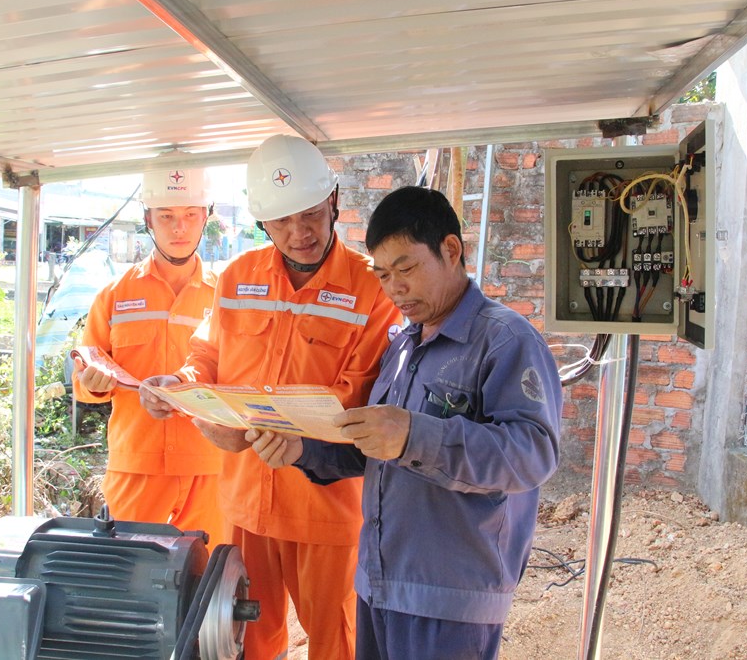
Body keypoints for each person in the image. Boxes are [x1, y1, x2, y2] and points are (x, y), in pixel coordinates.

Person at [247, 186, 563, 660]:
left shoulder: (504, 340)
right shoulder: (404, 345)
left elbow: (532, 453)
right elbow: (375, 447)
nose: (394, 287)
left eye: (406, 268)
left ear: (450, 250)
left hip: (450, 597)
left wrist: (414, 435)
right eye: (382, 275)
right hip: (379, 584)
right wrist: (303, 450)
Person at [140, 135, 403, 660]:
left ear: (333, 201)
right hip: (245, 507)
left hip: (325, 509)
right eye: (281, 222)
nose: (299, 233)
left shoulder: (371, 288)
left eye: (310, 215)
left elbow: (355, 393)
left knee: (337, 644)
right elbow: (207, 354)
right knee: (247, 644)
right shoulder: (238, 276)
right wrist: (182, 384)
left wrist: (257, 429)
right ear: (262, 222)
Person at [72, 168, 226, 545]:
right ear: (148, 219)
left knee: (210, 575)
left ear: (206, 217)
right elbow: (83, 378)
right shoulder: (114, 296)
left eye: (190, 215)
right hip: (135, 468)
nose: (179, 228)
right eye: (167, 216)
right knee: (130, 573)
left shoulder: (225, 297)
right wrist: (93, 384)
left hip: (210, 466)